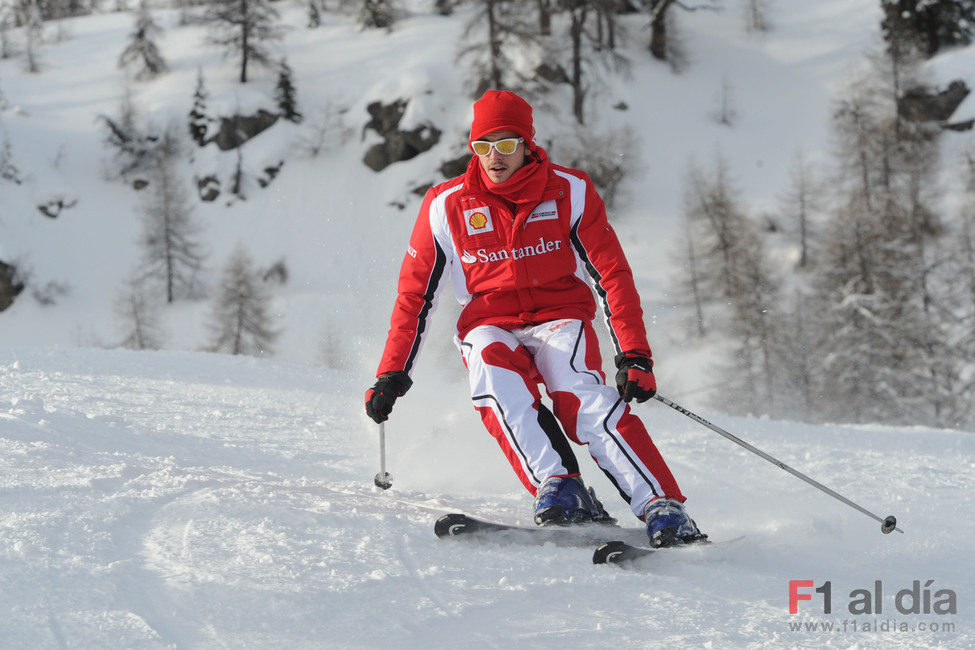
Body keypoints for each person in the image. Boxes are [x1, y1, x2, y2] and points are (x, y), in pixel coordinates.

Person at [365, 90, 705, 548]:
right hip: (490, 321)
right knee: (491, 372)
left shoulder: (570, 190)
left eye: (507, 145)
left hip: (560, 317)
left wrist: (634, 354)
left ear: (528, 144)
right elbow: (415, 296)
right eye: (484, 146)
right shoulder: (446, 204)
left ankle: (662, 506)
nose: (495, 157)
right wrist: (391, 373)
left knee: (581, 396)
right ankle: (560, 484)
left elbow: (611, 275)